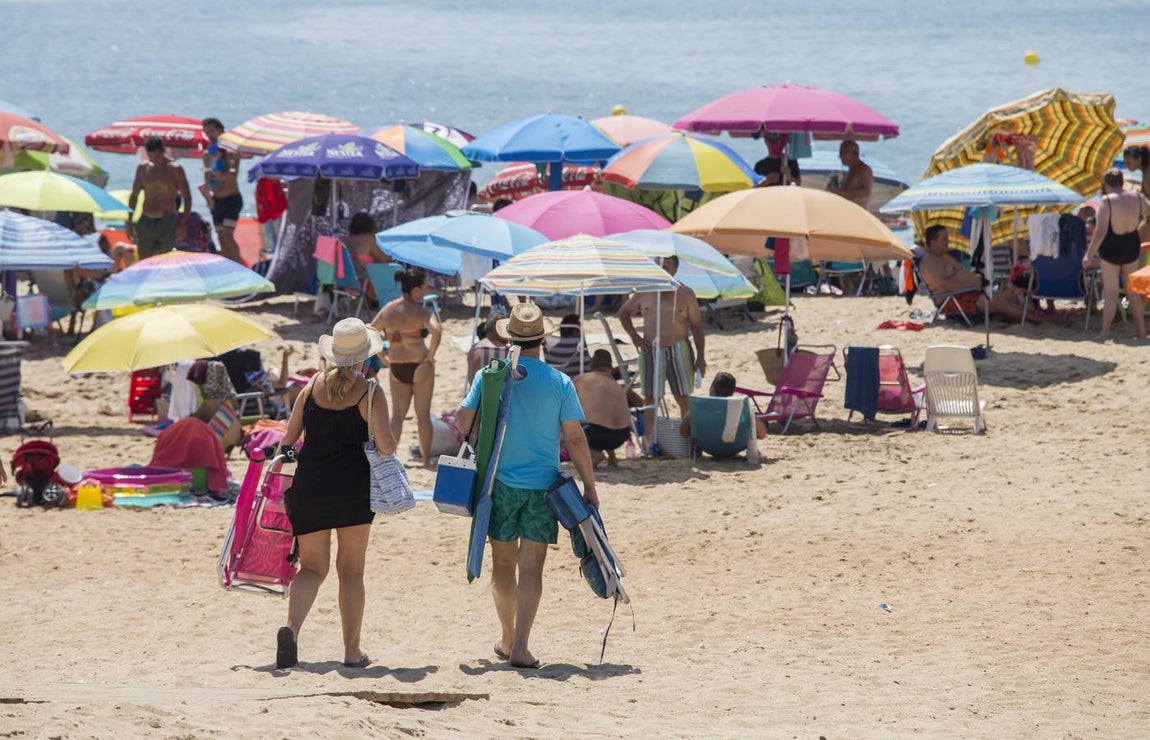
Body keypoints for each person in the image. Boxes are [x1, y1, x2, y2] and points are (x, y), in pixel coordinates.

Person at [453, 302, 598, 670]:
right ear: (542, 340)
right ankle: (521, 646)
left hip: (498, 484)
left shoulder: (492, 375)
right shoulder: (559, 381)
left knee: (503, 565)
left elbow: (462, 417)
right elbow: (576, 439)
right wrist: (590, 486)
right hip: (543, 488)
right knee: (532, 569)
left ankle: (505, 637)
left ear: (510, 338)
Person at [274, 318, 395, 670]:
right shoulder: (370, 391)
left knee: (311, 567)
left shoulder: (311, 386)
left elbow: (288, 440)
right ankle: (351, 652)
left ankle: (291, 630)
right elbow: (386, 445)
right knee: (351, 572)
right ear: (363, 358)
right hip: (353, 490)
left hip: (310, 486)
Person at [618, 255, 707, 437]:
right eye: (658, 266)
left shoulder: (685, 293)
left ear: (675, 269)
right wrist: (634, 336)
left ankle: (688, 438)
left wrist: (700, 357)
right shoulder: (645, 291)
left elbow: (697, 326)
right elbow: (623, 313)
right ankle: (651, 440)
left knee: (683, 397)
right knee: (651, 399)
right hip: (650, 348)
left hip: (679, 348)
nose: (662, 270)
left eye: (666, 267)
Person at [370, 268, 441, 465]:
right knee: (423, 416)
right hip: (420, 365)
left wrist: (383, 358)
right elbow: (437, 330)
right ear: (416, 290)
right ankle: (426, 460)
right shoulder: (421, 312)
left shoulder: (388, 310)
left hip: (396, 367)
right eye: (425, 287)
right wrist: (430, 356)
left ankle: (390, 458)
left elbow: (370, 331)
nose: (427, 290)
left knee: (398, 416)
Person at [918, 225, 1039, 324]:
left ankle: (1018, 318)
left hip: (967, 294)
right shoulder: (930, 261)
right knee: (998, 302)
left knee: (1008, 297)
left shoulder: (943, 256)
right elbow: (943, 285)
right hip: (954, 301)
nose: (948, 241)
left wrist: (977, 282)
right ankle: (1038, 320)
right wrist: (975, 284)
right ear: (933, 242)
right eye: (944, 239)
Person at [1083, 168, 1149, 341]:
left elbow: (1100, 231)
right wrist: (1140, 224)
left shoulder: (1107, 201)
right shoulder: (1137, 197)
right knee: (1133, 292)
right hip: (1131, 244)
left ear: (1106, 185)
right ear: (1122, 181)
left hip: (1111, 247)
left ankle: (1105, 333)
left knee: (1111, 293)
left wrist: (1088, 255)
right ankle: (1141, 333)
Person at [127, 137, 192, 259]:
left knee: (165, 260)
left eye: (156, 157)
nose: (154, 160)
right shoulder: (143, 168)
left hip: (167, 221)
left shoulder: (175, 169)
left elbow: (187, 197)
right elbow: (134, 196)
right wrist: (130, 221)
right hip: (146, 220)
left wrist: (184, 223)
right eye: (150, 156)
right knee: (144, 261)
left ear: (163, 151)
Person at [572, 349, 633, 467]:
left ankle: (596, 454)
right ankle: (612, 458)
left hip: (595, 435)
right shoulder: (616, 385)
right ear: (610, 367)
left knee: (571, 428)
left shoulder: (580, 380)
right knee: (604, 418)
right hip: (622, 435)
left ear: (591, 364)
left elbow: (568, 407)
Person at [201, 117, 244, 264]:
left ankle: (240, 268)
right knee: (221, 237)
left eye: (212, 131)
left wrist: (218, 174)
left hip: (232, 198)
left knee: (227, 234)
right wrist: (208, 199)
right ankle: (228, 269)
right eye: (206, 132)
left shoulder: (231, 152)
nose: (210, 135)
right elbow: (207, 182)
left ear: (221, 130)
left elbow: (232, 176)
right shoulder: (207, 155)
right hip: (216, 201)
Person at [679, 371, 767, 439]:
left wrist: (692, 412)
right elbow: (762, 434)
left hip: (708, 446)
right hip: (735, 447)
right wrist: (750, 412)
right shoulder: (740, 407)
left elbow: (683, 432)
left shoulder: (700, 406)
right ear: (732, 392)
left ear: (712, 389)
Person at [827, 141, 874, 210]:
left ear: (850, 153)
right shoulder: (851, 170)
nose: (840, 157)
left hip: (858, 213)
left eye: (841, 153)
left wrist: (839, 192)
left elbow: (865, 194)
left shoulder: (863, 170)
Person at [467, 312, 510, 381]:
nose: (509, 332)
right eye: (507, 328)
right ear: (497, 329)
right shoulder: (505, 351)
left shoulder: (475, 348)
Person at [1121, 146, 1150, 242]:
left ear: (1139, 159)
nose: (1126, 165)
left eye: (1128, 162)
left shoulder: (1147, 175)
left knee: (1140, 247)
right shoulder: (1146, 171)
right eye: (1125, 163)